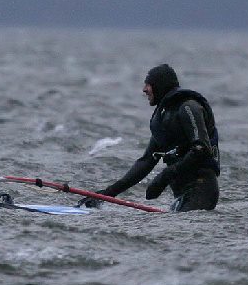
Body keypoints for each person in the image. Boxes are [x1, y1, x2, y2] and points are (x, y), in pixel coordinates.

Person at [81, 63, 219, 212]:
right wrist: (107, 194)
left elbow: (201, 148)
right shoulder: (163, 117)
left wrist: (165, 175)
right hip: (181, 194)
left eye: (148, 84)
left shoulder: (188, 107)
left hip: (201, 190)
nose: (144, 89)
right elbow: (146, 161)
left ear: (160, 86)